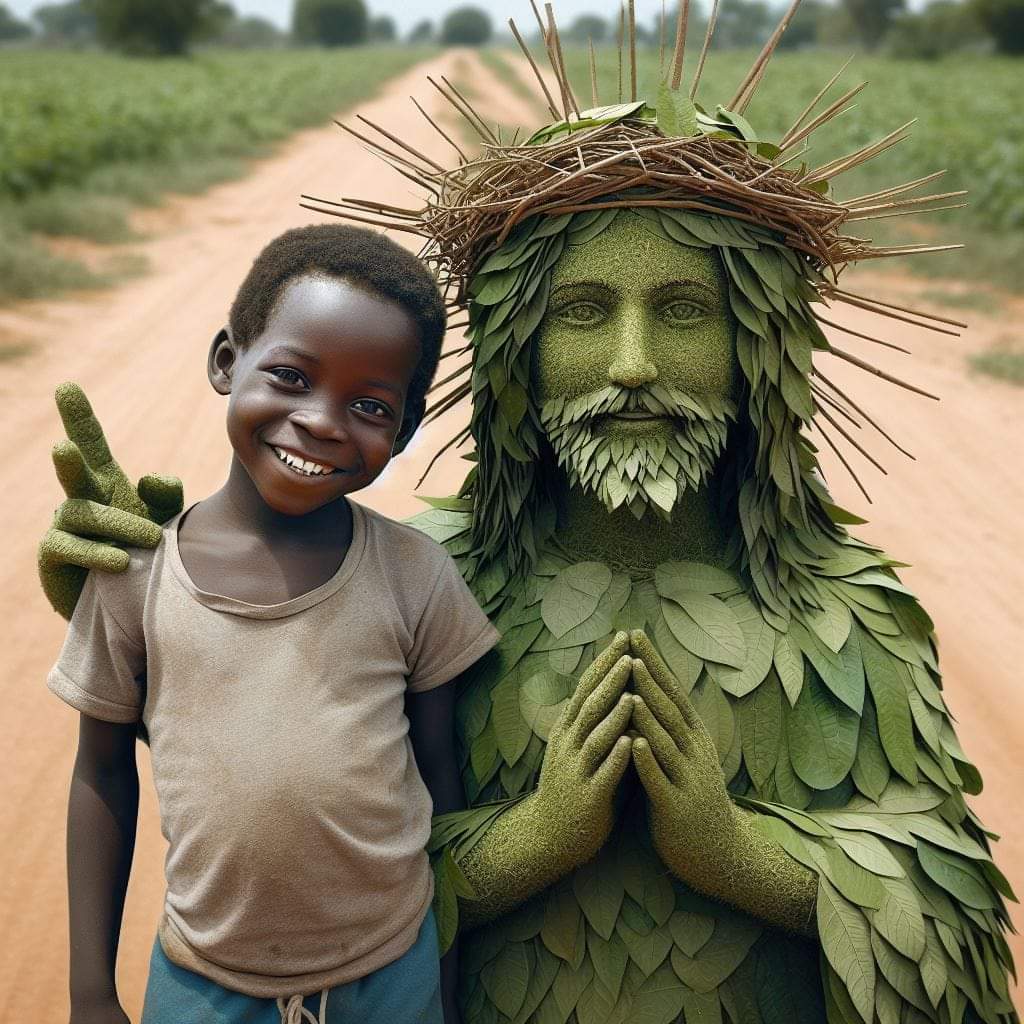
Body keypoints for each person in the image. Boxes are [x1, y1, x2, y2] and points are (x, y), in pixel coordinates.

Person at [40, 8, 1019, 1024]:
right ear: (517, 353)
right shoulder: (407, 577)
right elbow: (280, 827)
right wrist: (142, 608)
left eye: (683, 312)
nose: (632, 366)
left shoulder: (851, 622)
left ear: (758, 349)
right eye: (584, 313)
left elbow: (952, 932)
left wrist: (746, 859)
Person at [44, 224, 500, 1024]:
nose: (322, 422)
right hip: (201, 978)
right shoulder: (134, 579)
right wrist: (89, 991)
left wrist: (448, 981)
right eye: (290, 376)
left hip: (391, 972)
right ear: (228, 361)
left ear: (406, 423)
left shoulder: (415, 577)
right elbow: (102, 773)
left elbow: (440, 785)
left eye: (369, 405)